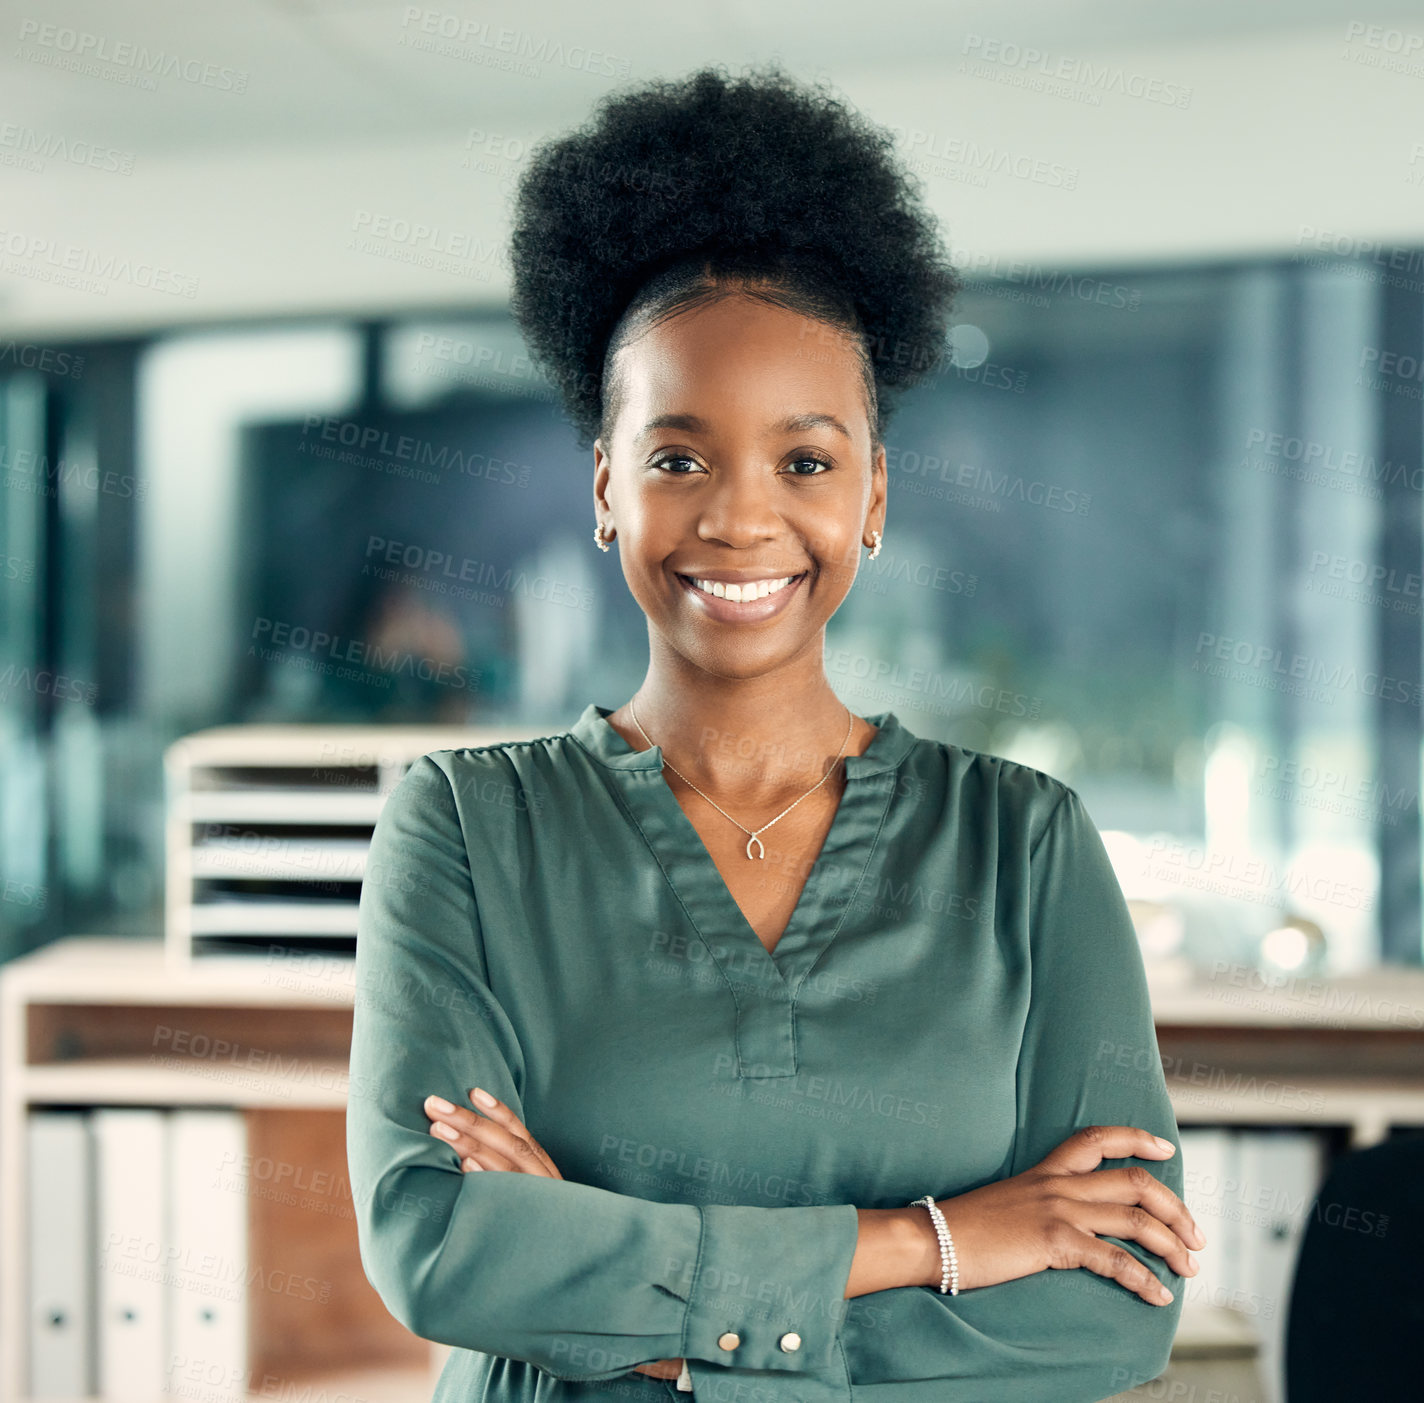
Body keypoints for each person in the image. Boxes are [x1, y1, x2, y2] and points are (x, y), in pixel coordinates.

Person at [346, 62, 1202, 1403]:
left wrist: (632, 1313)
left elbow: (1110, 1313)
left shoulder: (1023, 845)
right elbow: (444, 1249)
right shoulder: (464, 827)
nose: (741, 521)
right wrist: (940, 1242)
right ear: (605, 489)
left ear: (871, 499)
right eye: (679, 456)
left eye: (804, 461)